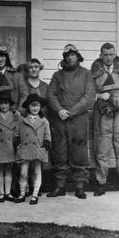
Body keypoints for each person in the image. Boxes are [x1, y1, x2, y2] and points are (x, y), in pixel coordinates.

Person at [46, 44, 96, 199]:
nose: (69, 57)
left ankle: (80, 187)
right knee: (59, 152)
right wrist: (59, 110)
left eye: (72, 54)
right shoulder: (57, 75)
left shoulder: (86, 74)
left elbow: (88, 97)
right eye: (67, 55)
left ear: (78, 56)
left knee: (79, 152)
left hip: (78, 120)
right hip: (59, 119)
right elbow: (50, 95)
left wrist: (71, 112)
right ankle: (59, 186)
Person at [91, 42, 119, 197]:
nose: (108, 57)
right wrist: (98, 97)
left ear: (115, 54)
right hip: (103, 113)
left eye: (111, 54)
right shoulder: (94, 72)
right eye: (105, 54)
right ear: (100, 55)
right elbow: (89, 92)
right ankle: (100, 183)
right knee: (102, 149)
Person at [14, 94, 51, 205]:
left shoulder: (44, 121)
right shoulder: (21, 120)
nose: (35, 108)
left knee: (36, 171)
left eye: (37, 105)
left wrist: (45, 146)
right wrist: (17, 144)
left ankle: (35, 194)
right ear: (28, 107)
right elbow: (16, 134)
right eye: (32, 105)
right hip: (25, 149)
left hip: (38, 149)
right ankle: (22, 193)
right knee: (23, 172)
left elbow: (47, 136)